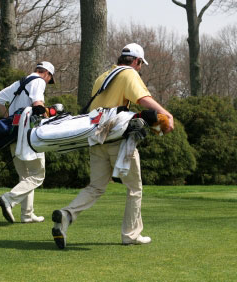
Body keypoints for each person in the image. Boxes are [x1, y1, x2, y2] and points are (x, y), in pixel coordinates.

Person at [51, 43, 174, 249]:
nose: (140, 68)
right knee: (134, 188)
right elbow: (143, 99)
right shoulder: (129, 74)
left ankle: (66, 214)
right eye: (140, 64)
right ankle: (131, 235)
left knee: (96, 187)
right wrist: (167, 115)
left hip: (97, 138)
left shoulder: (102, 76)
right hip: (117, 139)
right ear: (136, 61)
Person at [0, 61, 55, 224]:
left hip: (14, 134)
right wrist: (49, 115)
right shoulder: (39, 81)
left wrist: (7, 118)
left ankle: (27, 214)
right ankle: (9, 199)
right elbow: (37, 105)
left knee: (25, 176)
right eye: (50, 79)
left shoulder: (20, 82)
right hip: (30, 135)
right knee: (38, 175)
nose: (48, 82)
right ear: (47, 74)